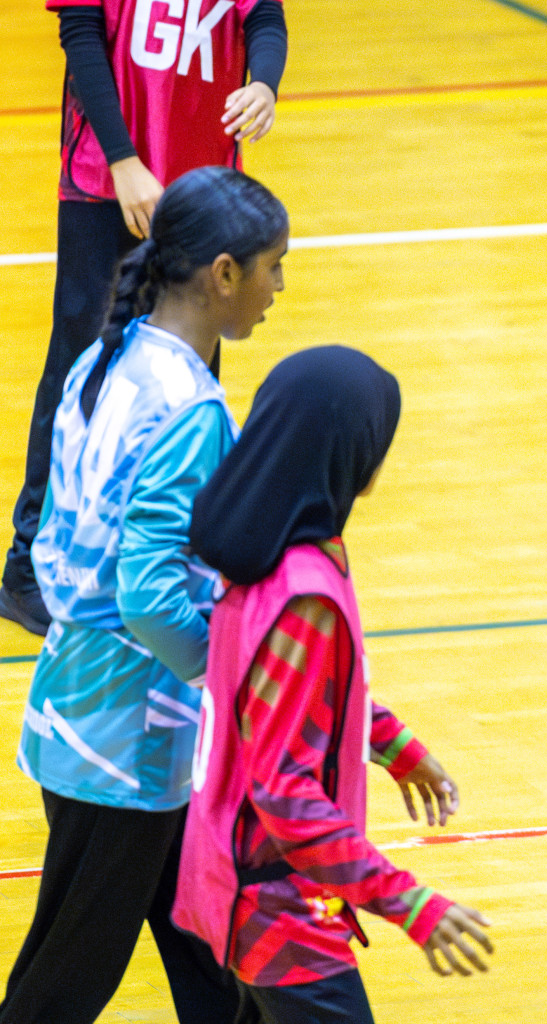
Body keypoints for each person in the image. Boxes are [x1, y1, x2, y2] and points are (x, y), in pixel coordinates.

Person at [1, 166, 288, 1024]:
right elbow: (152, 598)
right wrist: (235, 677)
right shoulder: (189, 406)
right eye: (274, 265)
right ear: (224, 272)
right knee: (64, 983)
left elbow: (53, 541)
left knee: (204, 936)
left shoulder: (107, 358)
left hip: (81, 702)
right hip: (129, 736)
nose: (281, 288)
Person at [174, 346, 494, 1023]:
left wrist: (394, 745)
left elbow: (290, 699)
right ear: (357, 459)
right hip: (280, 916)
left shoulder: (260, 554)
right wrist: (411, 903)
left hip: (230, 883)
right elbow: (287, 795)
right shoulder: (304, 596)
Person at [0, 0, 288, 634]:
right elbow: (80, 33)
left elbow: (264, 16)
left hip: (203, 180)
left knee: (191, 369)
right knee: (82, 362)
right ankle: (29, 567)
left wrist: (264, 83)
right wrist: (124, 161)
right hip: (106, 178)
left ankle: (173, 555)